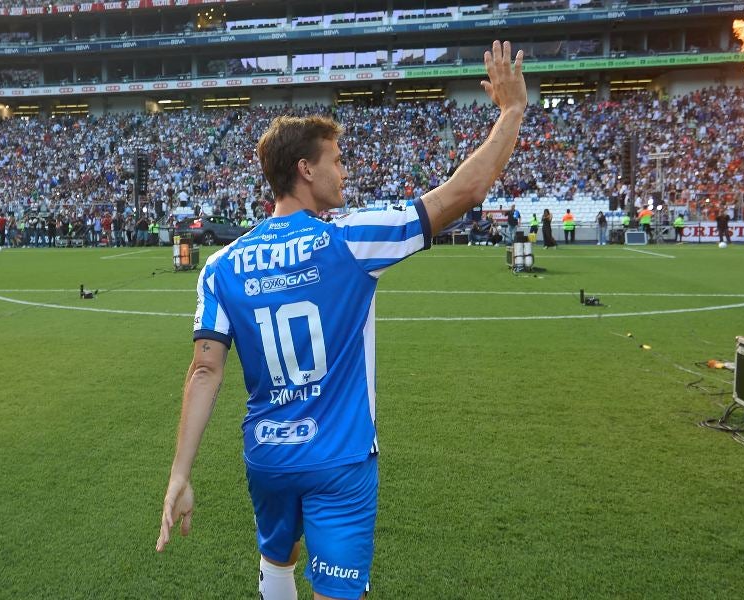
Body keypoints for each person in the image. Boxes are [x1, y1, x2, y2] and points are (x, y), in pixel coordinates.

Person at [155, 40, 527, 600]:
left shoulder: (221, 264)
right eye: (336, 161)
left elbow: (204, 372)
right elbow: (464, 193)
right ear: (305, 169)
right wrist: (512, 111)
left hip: (268, 455)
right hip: (340, 457)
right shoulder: (349, 239)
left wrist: (180, 474)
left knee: (278, 559)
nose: (345, 173)